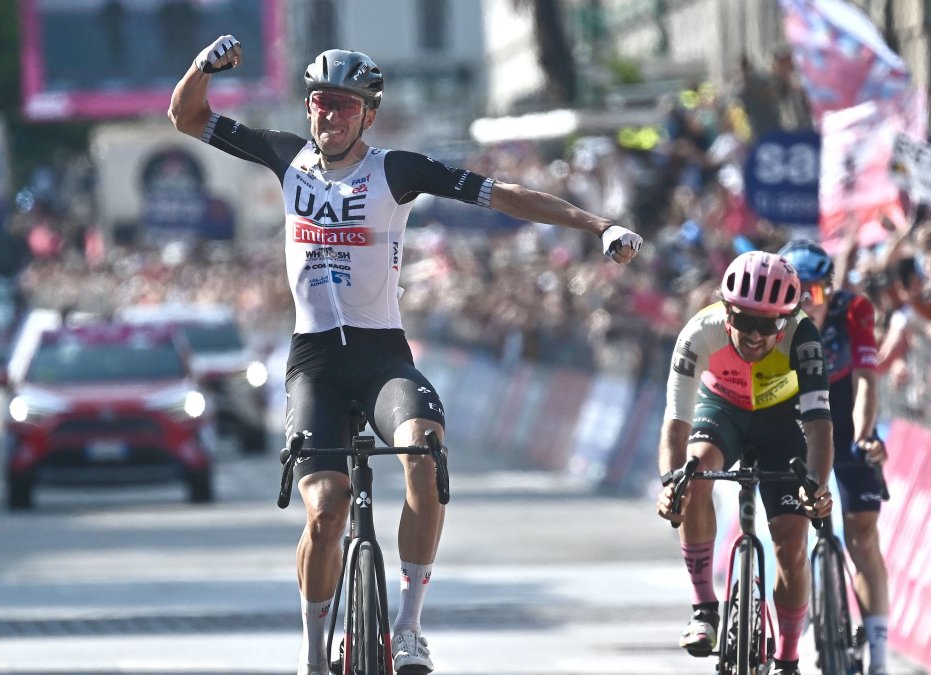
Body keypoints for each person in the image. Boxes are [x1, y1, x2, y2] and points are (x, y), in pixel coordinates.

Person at [169, 36, 642, 675]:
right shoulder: (285, 158)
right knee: (327, 507)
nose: (326, 116)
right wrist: (202, 67)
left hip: (381, 355)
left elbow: (502, 193)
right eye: (318, 104)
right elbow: (187, 117)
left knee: (425, 449)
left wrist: (597, 226)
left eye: (341, 106)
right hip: (314, 364)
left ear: (368, 114)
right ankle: (313, 657)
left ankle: (410, 627)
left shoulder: (397, 170)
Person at [656, 250, 834, 675]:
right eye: (746, 322)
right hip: (723, 409)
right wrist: (669, 483)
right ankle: (704, 611)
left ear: (786, 320)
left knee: (791, 545)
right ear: (727, 312)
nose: (755, 336)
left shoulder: (803, 337)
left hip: (781, 420)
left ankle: (789, 658)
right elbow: (676, 424)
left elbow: (819, 426)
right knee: (693, 474)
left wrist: (817, 487)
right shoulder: (700, 330)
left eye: (769, 324)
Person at [778, 239, 892, 675]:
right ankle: (805, 622)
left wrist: (864, 437)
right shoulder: (771, 315)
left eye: (818, 293)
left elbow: (867, 381)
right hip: (792, 416)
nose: (809, 304)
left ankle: (879, 656)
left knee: (863, 535)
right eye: (798, 294)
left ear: (831, 290)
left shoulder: (854, 310)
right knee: (792, 530)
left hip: (845, 414)